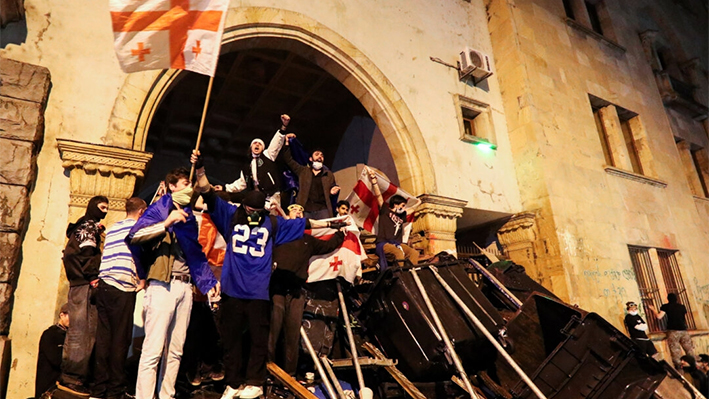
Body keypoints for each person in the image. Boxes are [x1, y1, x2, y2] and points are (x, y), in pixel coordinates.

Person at [191, 150, 346, 399]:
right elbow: (208, 192)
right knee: (230, 341)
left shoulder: (271, 222)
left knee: (258, 340)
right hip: (232, 289)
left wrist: (331, 223)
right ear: (244, 206)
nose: (252, 214)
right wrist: (200, 169)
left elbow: (304, 224)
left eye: (256, 210)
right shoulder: (230, 216)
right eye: (249, 209)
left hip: (258, 291)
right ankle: (233, 383)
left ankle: (254, 381)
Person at [128, 168, 220, 399]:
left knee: (176, 350)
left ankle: (166, 395)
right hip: (162, 285)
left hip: (185, 286)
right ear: (172, 186)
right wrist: (166, 223)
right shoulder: (159, 208)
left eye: (190, 184)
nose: (189, 188)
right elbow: (134, 237)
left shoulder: (189, 217)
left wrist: (208, 282)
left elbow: (195, 253)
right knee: (153, 349)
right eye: (185, 184)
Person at [268, 203, 345, 375]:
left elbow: (328, 246)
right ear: (287, 215)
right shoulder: (278, 236)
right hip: (277, 289)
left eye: (301, 211)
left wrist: (342, 232)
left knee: (292, 335)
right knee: (273, 331)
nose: (298, 213)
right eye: (294, 210)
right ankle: (267, 373)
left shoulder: (307, 240)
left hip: (296, 291)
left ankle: (290, 375)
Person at [92, 197, 147, 399]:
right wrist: (142, 281)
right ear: (141, 212)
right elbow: (141, 255)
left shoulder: (115, 227)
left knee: (104, 338)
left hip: (105, 284)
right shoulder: (138, 228)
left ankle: (98, 390)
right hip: (122, 287)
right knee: (120, 340)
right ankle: (115, 391)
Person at [57, 195, 108, 396]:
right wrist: (94, 278)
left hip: (78, 283)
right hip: (84, 284)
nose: (105, 211)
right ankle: (73, 378)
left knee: (81, 330)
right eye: (102, 207)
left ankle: (75, 376)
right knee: (83, 330)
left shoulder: (82, 226)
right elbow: (87, 254)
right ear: (93, 207)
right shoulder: (88, 227)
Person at [223, 114, 295, 211]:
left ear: (263, 148)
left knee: (272, 220)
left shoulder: (268, 155)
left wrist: (283, 127)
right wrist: (224, 188)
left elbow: (276, 142)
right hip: (257, 197)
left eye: (260, 144)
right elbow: (241, 184)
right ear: (251, 148)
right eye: (254, 143)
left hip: (272, 196)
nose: (257, 144)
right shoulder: (247, 167)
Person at [368, 170, 418, 269]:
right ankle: (401, 275)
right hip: (384, 243)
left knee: (414, 253)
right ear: (396, 204)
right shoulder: (385, 211)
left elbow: (412, 209)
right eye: (403, 205)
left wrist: (419, 202)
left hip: (397, 243)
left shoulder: (401, 215)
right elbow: (378, 196)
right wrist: (374, 181)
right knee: (398, 253)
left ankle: (412, 273)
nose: (404, 208)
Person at [283, 141, 340, 220]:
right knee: (305, 231)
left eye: (322, 155)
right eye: (317, 154)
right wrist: (286, 143)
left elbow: (331, 191)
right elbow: (288, 160)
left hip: (323, 210)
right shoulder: (303, 171)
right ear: (310, 158)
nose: (320, 157)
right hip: (305, 209)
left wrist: (332, 192)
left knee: (325, 230)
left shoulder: (328, 174)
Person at [647, 293, 696, 369]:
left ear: (668, 299)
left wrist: (653, 309)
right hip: (683, 330)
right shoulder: (682, 307)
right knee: (689, 348)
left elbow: (659, 317)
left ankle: (679, 367)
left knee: (675, 350)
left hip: (673, 330)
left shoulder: (666, 306)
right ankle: (692, 364)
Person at [35, 303, 70, 398]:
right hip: (48, 385)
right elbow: (56, 360)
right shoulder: (50, 334)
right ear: (62, 315)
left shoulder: (70, 335)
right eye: (70, 316)